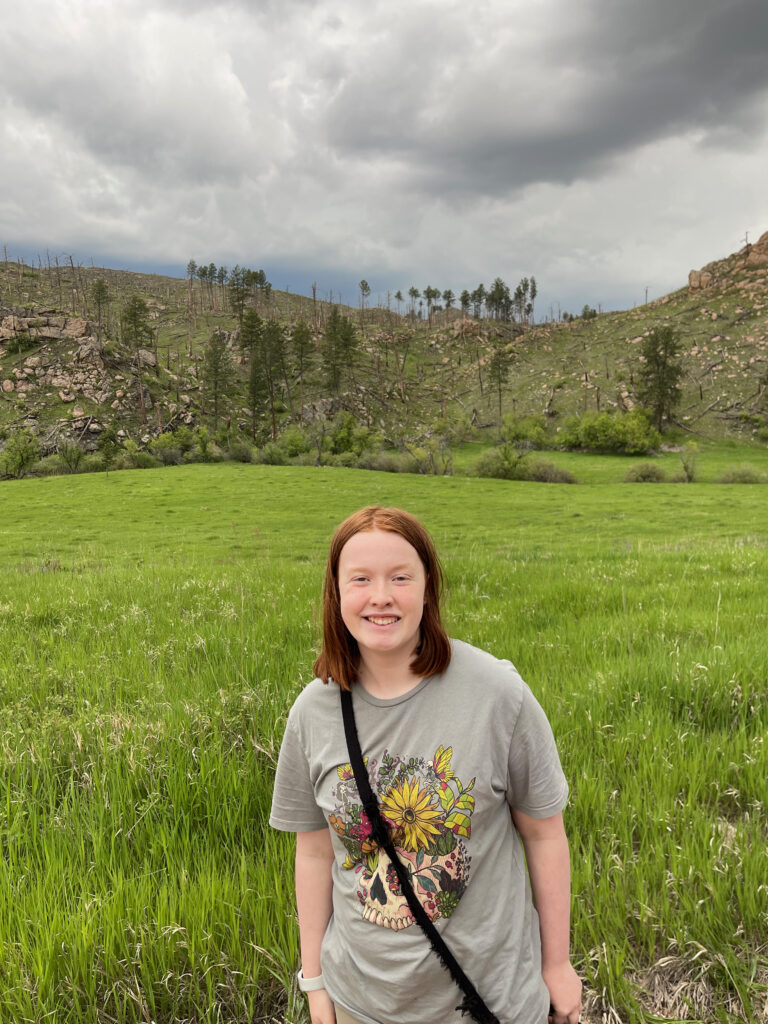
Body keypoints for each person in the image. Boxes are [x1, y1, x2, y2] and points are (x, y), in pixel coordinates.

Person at [270, 506, 582, 1024]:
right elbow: (314, 852)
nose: (381, 596)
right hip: (360, 1002)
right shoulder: (313, 711)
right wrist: (315, 982)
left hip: (491, 1000)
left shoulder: (498, 694)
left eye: (400, 577)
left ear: (427, 586)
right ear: (337, 593)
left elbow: (546, 835)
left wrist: (557, 963)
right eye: (361, 579)